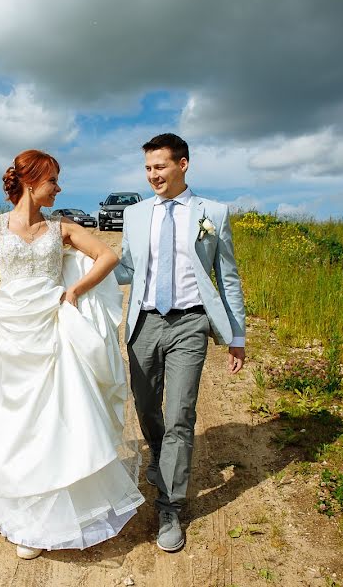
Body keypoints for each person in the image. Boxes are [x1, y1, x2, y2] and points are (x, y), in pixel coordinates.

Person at [0, 150, 144, 560]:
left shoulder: (61, 228)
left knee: (51, 419)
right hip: (7, 328)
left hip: (50, 328)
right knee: (8, 421)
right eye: (53, 182)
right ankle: (10, 505)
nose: (59, 189)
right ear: (32, 183)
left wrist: (75, 290)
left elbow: (108, 256)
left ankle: (42, 520)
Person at [115, 133, 246, 552]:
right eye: (148, 168)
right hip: (144, 322)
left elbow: (227, 277)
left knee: (181, 414)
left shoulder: (214, 213)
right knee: (146, 405)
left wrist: (236, 336)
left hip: (191, 323)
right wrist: (70, 264)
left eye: (160, 167)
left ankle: (170, 505)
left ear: (183, 164)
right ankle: (158, 456)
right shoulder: (135, 215)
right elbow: (125, 268)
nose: (153, 175)